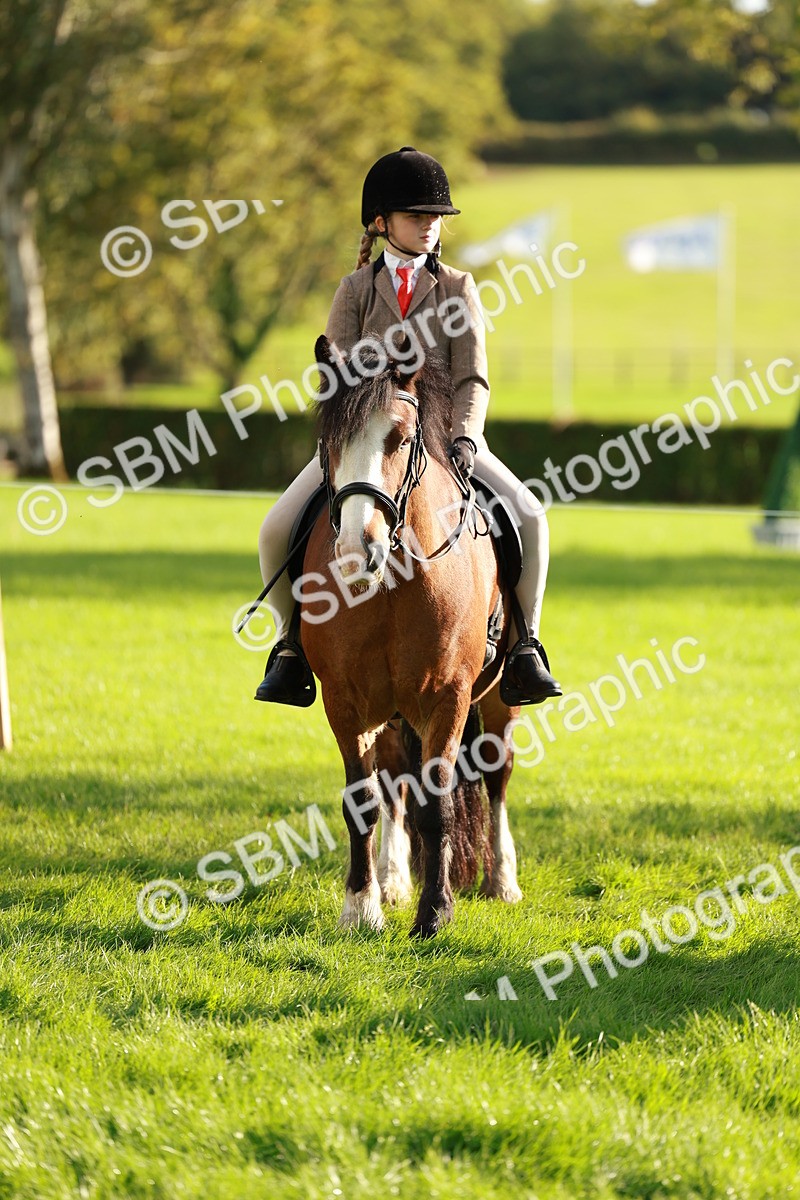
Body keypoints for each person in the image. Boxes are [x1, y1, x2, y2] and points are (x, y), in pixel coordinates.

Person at [254, 146, 560, 707]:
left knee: (531, 516)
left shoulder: (458, 287)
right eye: (417, 215)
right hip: (366, 443)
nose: (430, 225)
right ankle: (289, 647)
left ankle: (525, 645)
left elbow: (473, 378)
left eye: (436, 216)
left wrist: (465, 436)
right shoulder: (353, 290)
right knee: (274, 530)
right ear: (381, 222)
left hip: (446, 441)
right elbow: (335, 379)